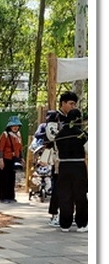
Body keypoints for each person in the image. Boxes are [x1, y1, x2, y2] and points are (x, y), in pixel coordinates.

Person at [45, 91, 78, 225]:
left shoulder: (74, 118)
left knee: (73, 187)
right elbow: (52, 135)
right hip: (58, 157)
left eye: (75, 104)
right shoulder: (54, 116)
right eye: (71, 103)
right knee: (59, 186)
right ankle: (54, 215)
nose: (73, 106)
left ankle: (68, 214)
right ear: (63, 103)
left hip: (73, 157)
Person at [53, 107, 88, 232]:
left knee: (65, 195)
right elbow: (88, 150)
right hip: (78, 166)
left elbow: (56, 151)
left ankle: (65, 224)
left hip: (63, 166)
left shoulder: (59, 135)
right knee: (80, 195)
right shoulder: (81, 134)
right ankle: (81, 224)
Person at [0, 115, 24, 203]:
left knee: (12, 177)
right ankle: (3, 197)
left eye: (17, 125)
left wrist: (21, 158)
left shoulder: (19, 135)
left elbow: (20, 148)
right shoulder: (5, 134)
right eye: (13, 125)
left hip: (14, 159)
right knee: (4, 178)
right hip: (5, 158)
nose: (15, 127)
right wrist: (1, 160)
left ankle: (11, 196)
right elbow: (0, 148)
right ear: (10, 126)